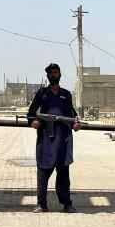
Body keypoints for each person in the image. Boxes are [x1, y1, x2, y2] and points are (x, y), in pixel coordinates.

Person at [26, 63, 81, 212]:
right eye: (51, 73)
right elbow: (31, 113)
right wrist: (33, 122)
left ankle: (67, 204)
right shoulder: (42, 93)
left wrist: (76, 124)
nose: (53, 75)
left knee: (63, 173)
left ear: (60, 74)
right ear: (48, 76)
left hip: (63, 139)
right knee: (43, 172)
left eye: (56, 72)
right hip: (46, 139)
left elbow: (72, 114)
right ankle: (41, 204)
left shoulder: (66, 94)